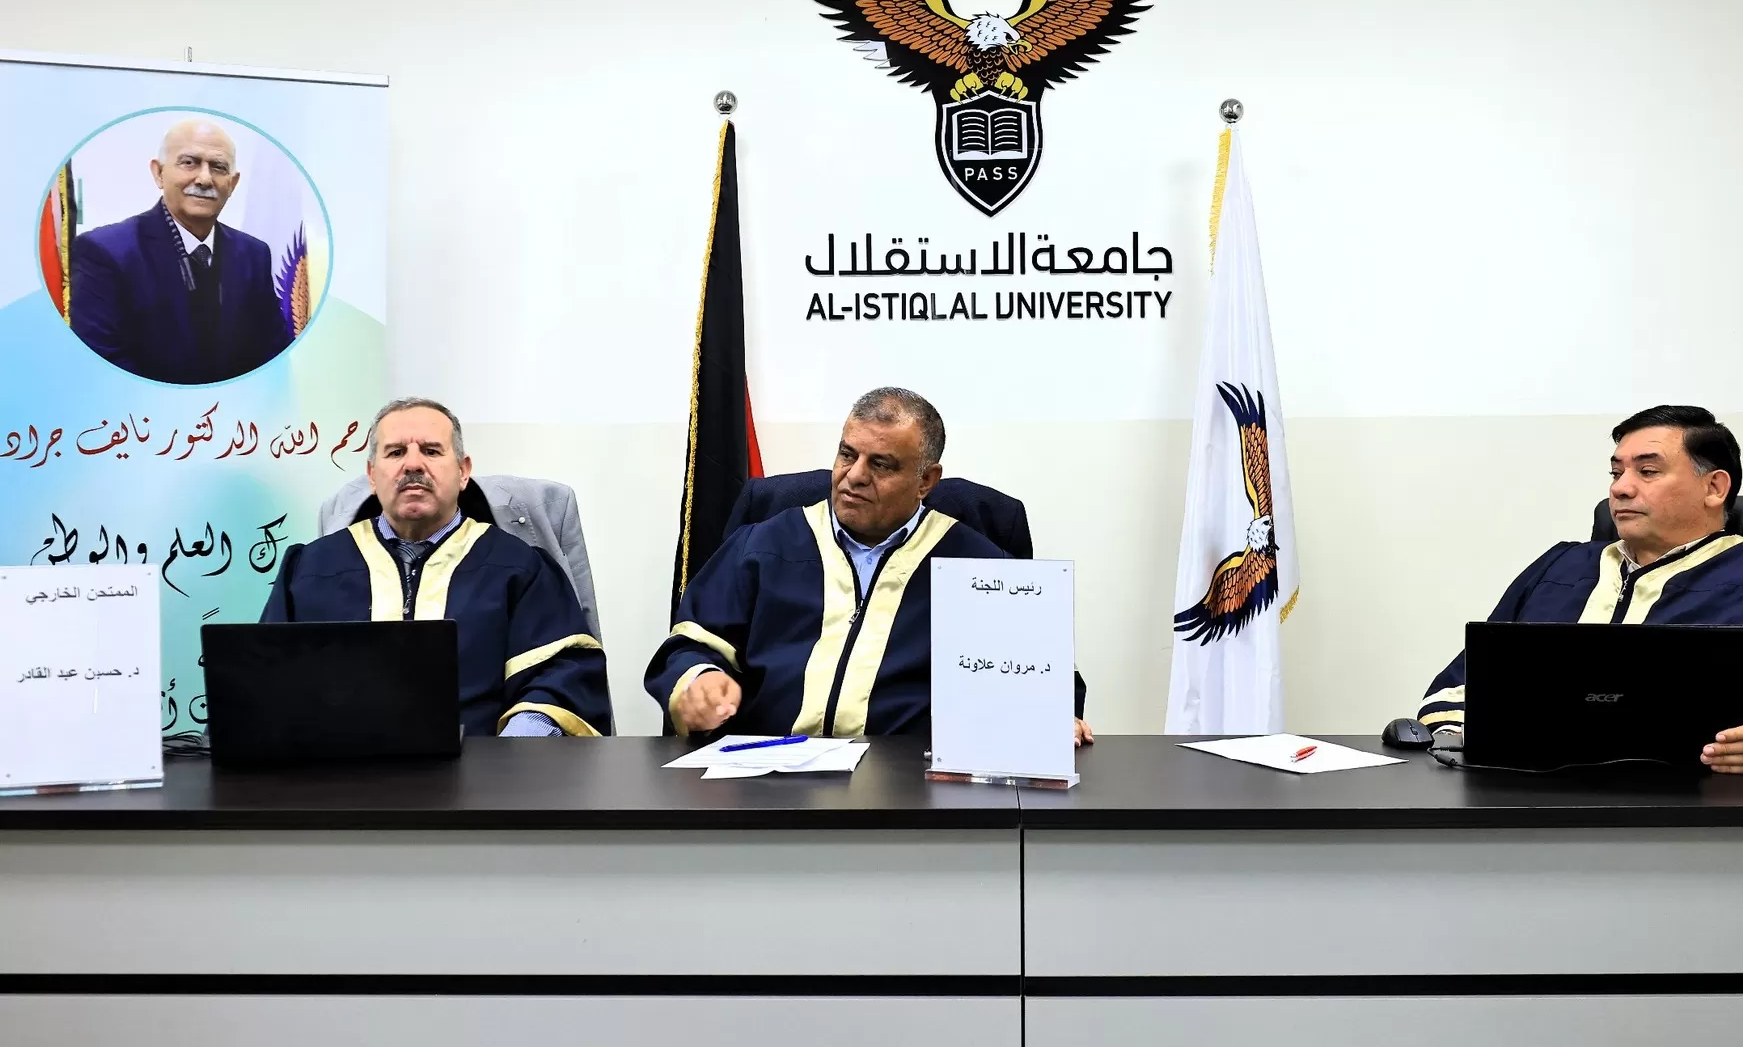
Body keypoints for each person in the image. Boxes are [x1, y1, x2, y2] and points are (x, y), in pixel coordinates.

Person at [649, 386, 1095, 745]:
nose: (855, 476)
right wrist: (697, 679)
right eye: (847, 454)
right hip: (764, 781)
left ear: (926, 480)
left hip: (907, 790)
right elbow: (692, 643)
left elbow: (1042, 675)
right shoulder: (763, 545)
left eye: (880, 464)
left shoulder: (978, 565)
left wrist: (1052, 714)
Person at [1418, 405, 1743, 773]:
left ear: (1714, 487)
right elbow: (1463, 686)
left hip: (1697, 801)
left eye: (1647, 471)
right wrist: (1456, 732)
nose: (1620, 488)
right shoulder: (1560, 565)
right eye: (1616, 472)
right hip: (1525, 791)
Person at [261, 397, 612, 737]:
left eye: (431, 451)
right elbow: (267, 680)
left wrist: (515, 749)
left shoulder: (520, 567)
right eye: (396, 452)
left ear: (463, 471)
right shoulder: (308, 570)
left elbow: (561, 674)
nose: (413, 465)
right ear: (372, 475)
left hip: (481, 770)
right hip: (337, 771)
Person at [68, 121, 295, 385]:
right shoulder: (104, 252)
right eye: (189, 163)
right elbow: (102, 365)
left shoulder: (254, 254)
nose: (204, 179)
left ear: (233, 184)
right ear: (159, 173)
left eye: (218, 167)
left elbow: (274, 354)